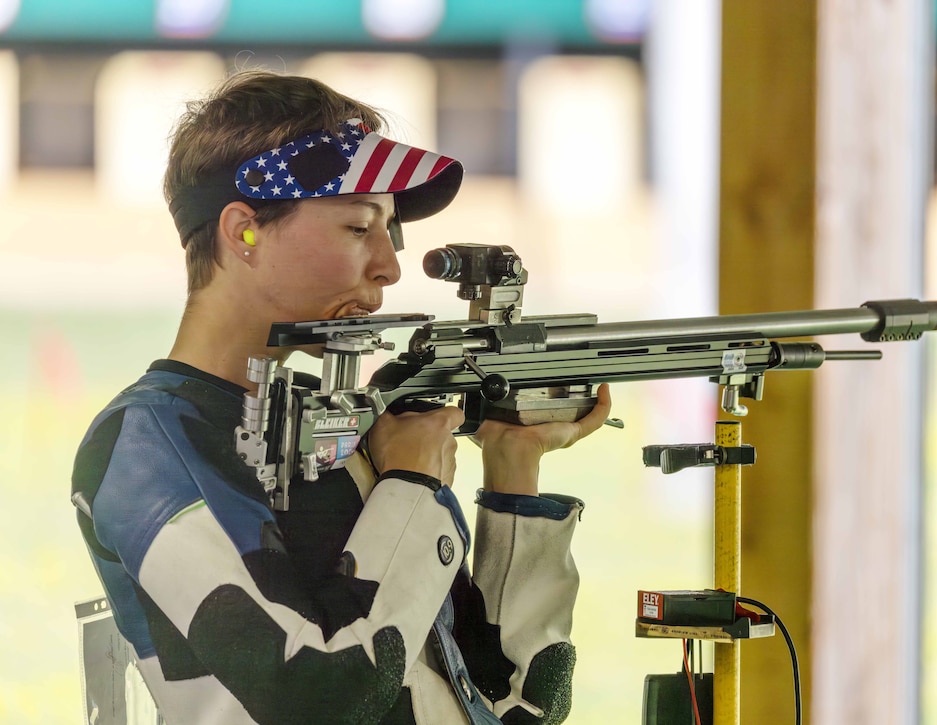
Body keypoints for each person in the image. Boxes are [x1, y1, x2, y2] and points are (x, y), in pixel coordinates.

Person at [71, 70, 612, 725]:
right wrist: (411, 484)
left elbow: (520, 705)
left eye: (390, 230)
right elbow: (318, 695)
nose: (389, 265)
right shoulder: (144, 445)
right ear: (244, 231)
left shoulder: (338, 427)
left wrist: (514, 468)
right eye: (359, 227)